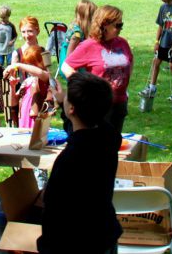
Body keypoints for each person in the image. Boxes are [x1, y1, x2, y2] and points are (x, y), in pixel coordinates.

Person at [39, 72, 122, 254]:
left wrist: (45, 246)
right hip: (104, 234)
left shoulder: (70, 158)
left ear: (72, 109)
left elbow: (53, 209)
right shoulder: (109, 138)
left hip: (76, 243)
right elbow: (84, 128)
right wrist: (66, 105)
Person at [61, 5, 133, 133]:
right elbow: (66, 66)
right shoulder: (89, 45)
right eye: (118, 25)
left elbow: (130, 61)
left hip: (120, 102)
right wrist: (84, 87)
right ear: (104, 24)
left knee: (114, 141)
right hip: (98, 106)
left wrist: (124, 84)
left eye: (121, 25)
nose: (121, 28)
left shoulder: (122, 43)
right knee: (97, 141)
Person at [3, 17, 51, 128]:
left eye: (30, 31)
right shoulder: (17, 53)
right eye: (23, 32)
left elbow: (49, 77)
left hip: (41, 98)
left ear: (37, 30)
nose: (27, 35)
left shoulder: (44, 52)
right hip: (24, 98)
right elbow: (13, 79)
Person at [58, 0, 96, 76]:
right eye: (94, 17)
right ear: (87, 17)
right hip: (73, 69)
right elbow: (69, 57)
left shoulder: (76, 27)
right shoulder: (77, 34)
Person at [0, 5, 17, 70]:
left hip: (9, 49)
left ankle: (9, 74)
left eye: (4, 17)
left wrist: (12, 41)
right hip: (0, 49)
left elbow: (15, 35)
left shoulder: (11, 26)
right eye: (1, 17)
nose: (2, 19)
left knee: (10, 63)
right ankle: (0, 74)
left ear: (8, 16)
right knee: (0, 63)